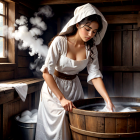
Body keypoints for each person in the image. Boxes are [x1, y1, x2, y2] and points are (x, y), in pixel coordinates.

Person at [35, 3, 115, 140]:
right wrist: (61, 98)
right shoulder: (60, 42)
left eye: (95, 31)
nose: (91, 34)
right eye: (88, 29)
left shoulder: (91, 49)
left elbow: (95, 75)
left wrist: (107, 100)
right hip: (54, 89)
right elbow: (46, 73)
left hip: (74, 88)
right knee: (57, 130)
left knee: (75, 128)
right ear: (77, 24)